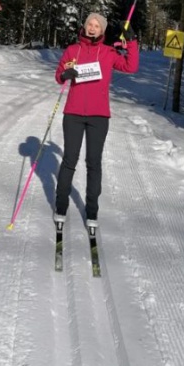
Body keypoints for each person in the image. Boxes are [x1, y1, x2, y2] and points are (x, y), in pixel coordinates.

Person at [54, 12, 139, 227]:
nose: (92, 28)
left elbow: (130, 67)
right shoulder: (73, 50)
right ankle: (61, 206)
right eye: (90, 24)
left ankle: (92, 211)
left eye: (97, 26)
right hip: (73, 114)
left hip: (99, 116)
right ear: (85, 26)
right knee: (69, 160)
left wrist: (132, 41)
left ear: (102, 30)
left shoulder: (109, 52)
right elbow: (59, 75)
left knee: (93, 163)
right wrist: (64, 75)